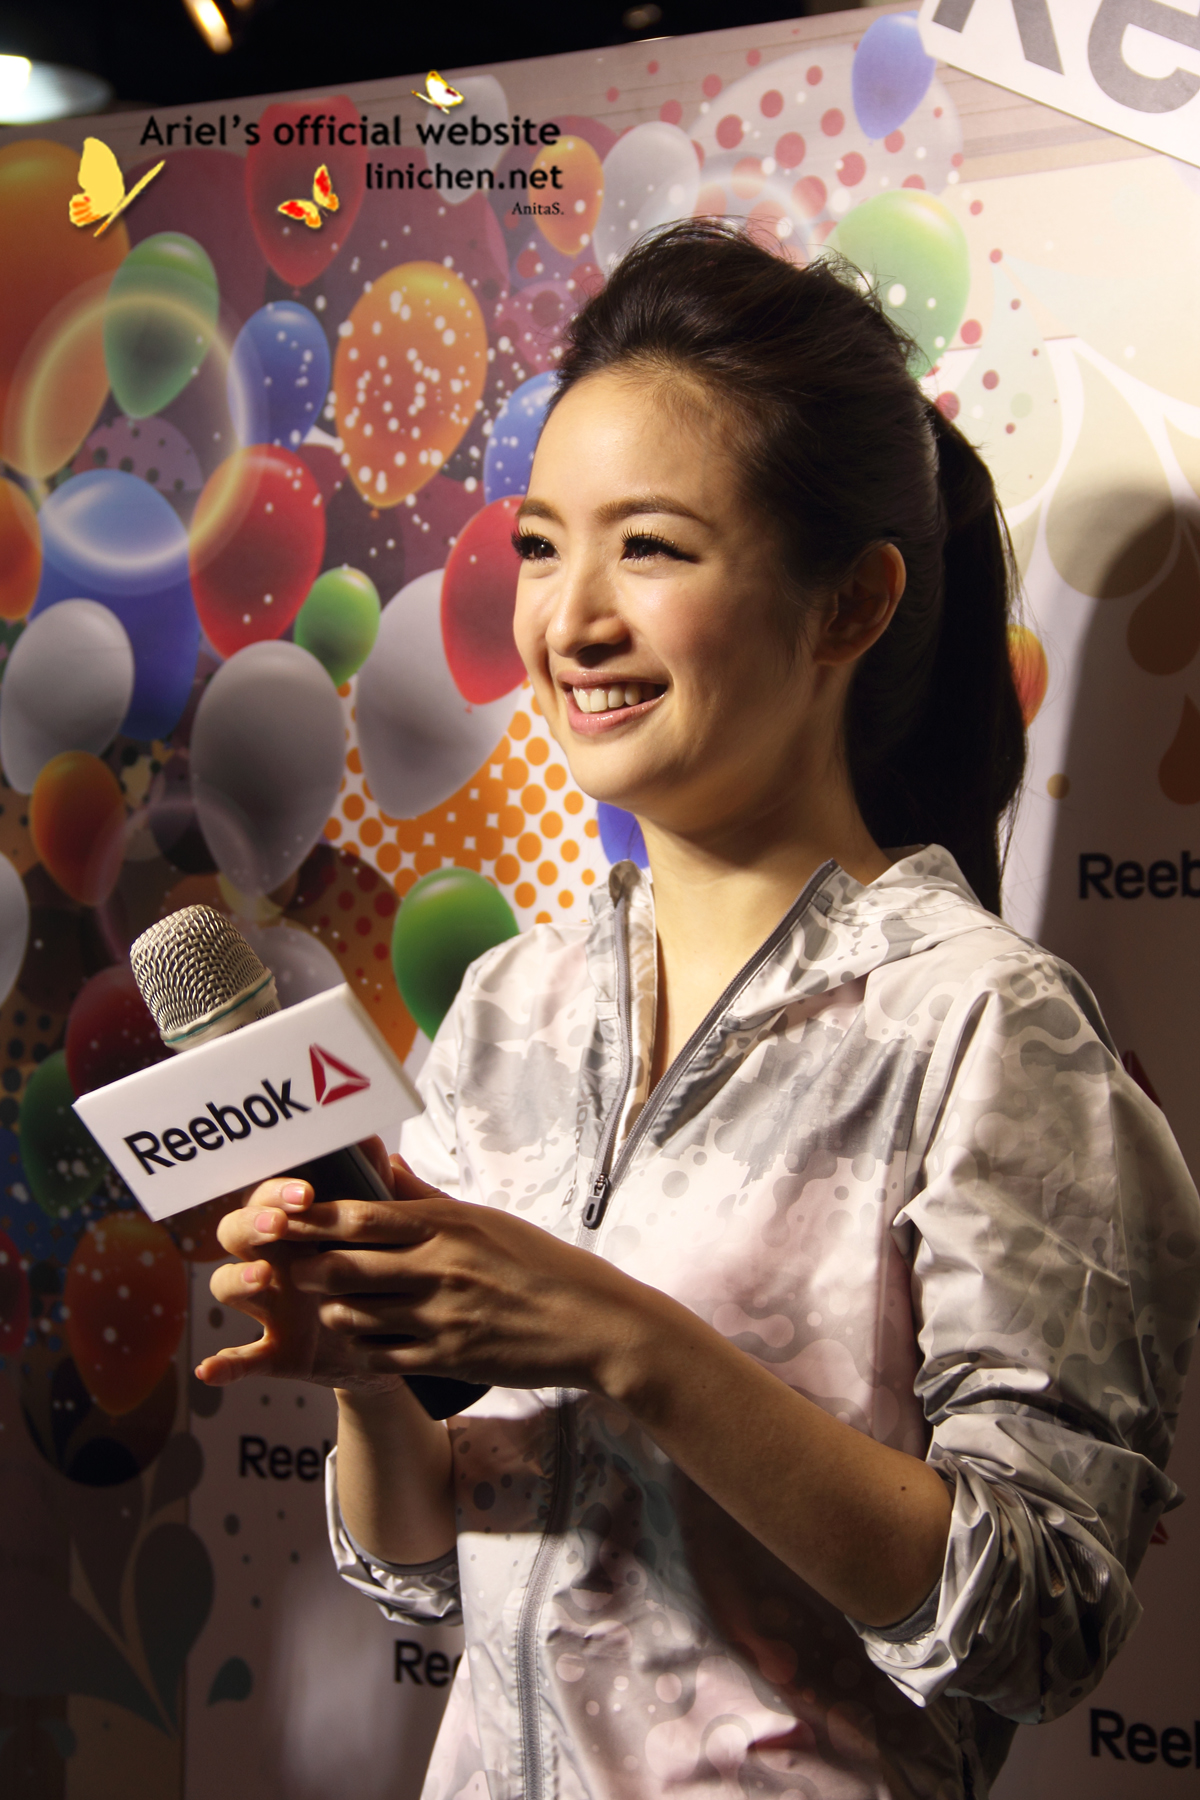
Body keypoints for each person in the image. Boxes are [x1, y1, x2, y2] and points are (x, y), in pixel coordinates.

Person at [199, 222, 1200, 1800]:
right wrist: (372, 1370)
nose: (572, 619)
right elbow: (427, 1569)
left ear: (850, 605)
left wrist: (618, 1338)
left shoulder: (986, 1029)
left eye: (652, 550)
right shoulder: (511, 1010)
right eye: (542, 546)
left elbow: (1041, 1619)